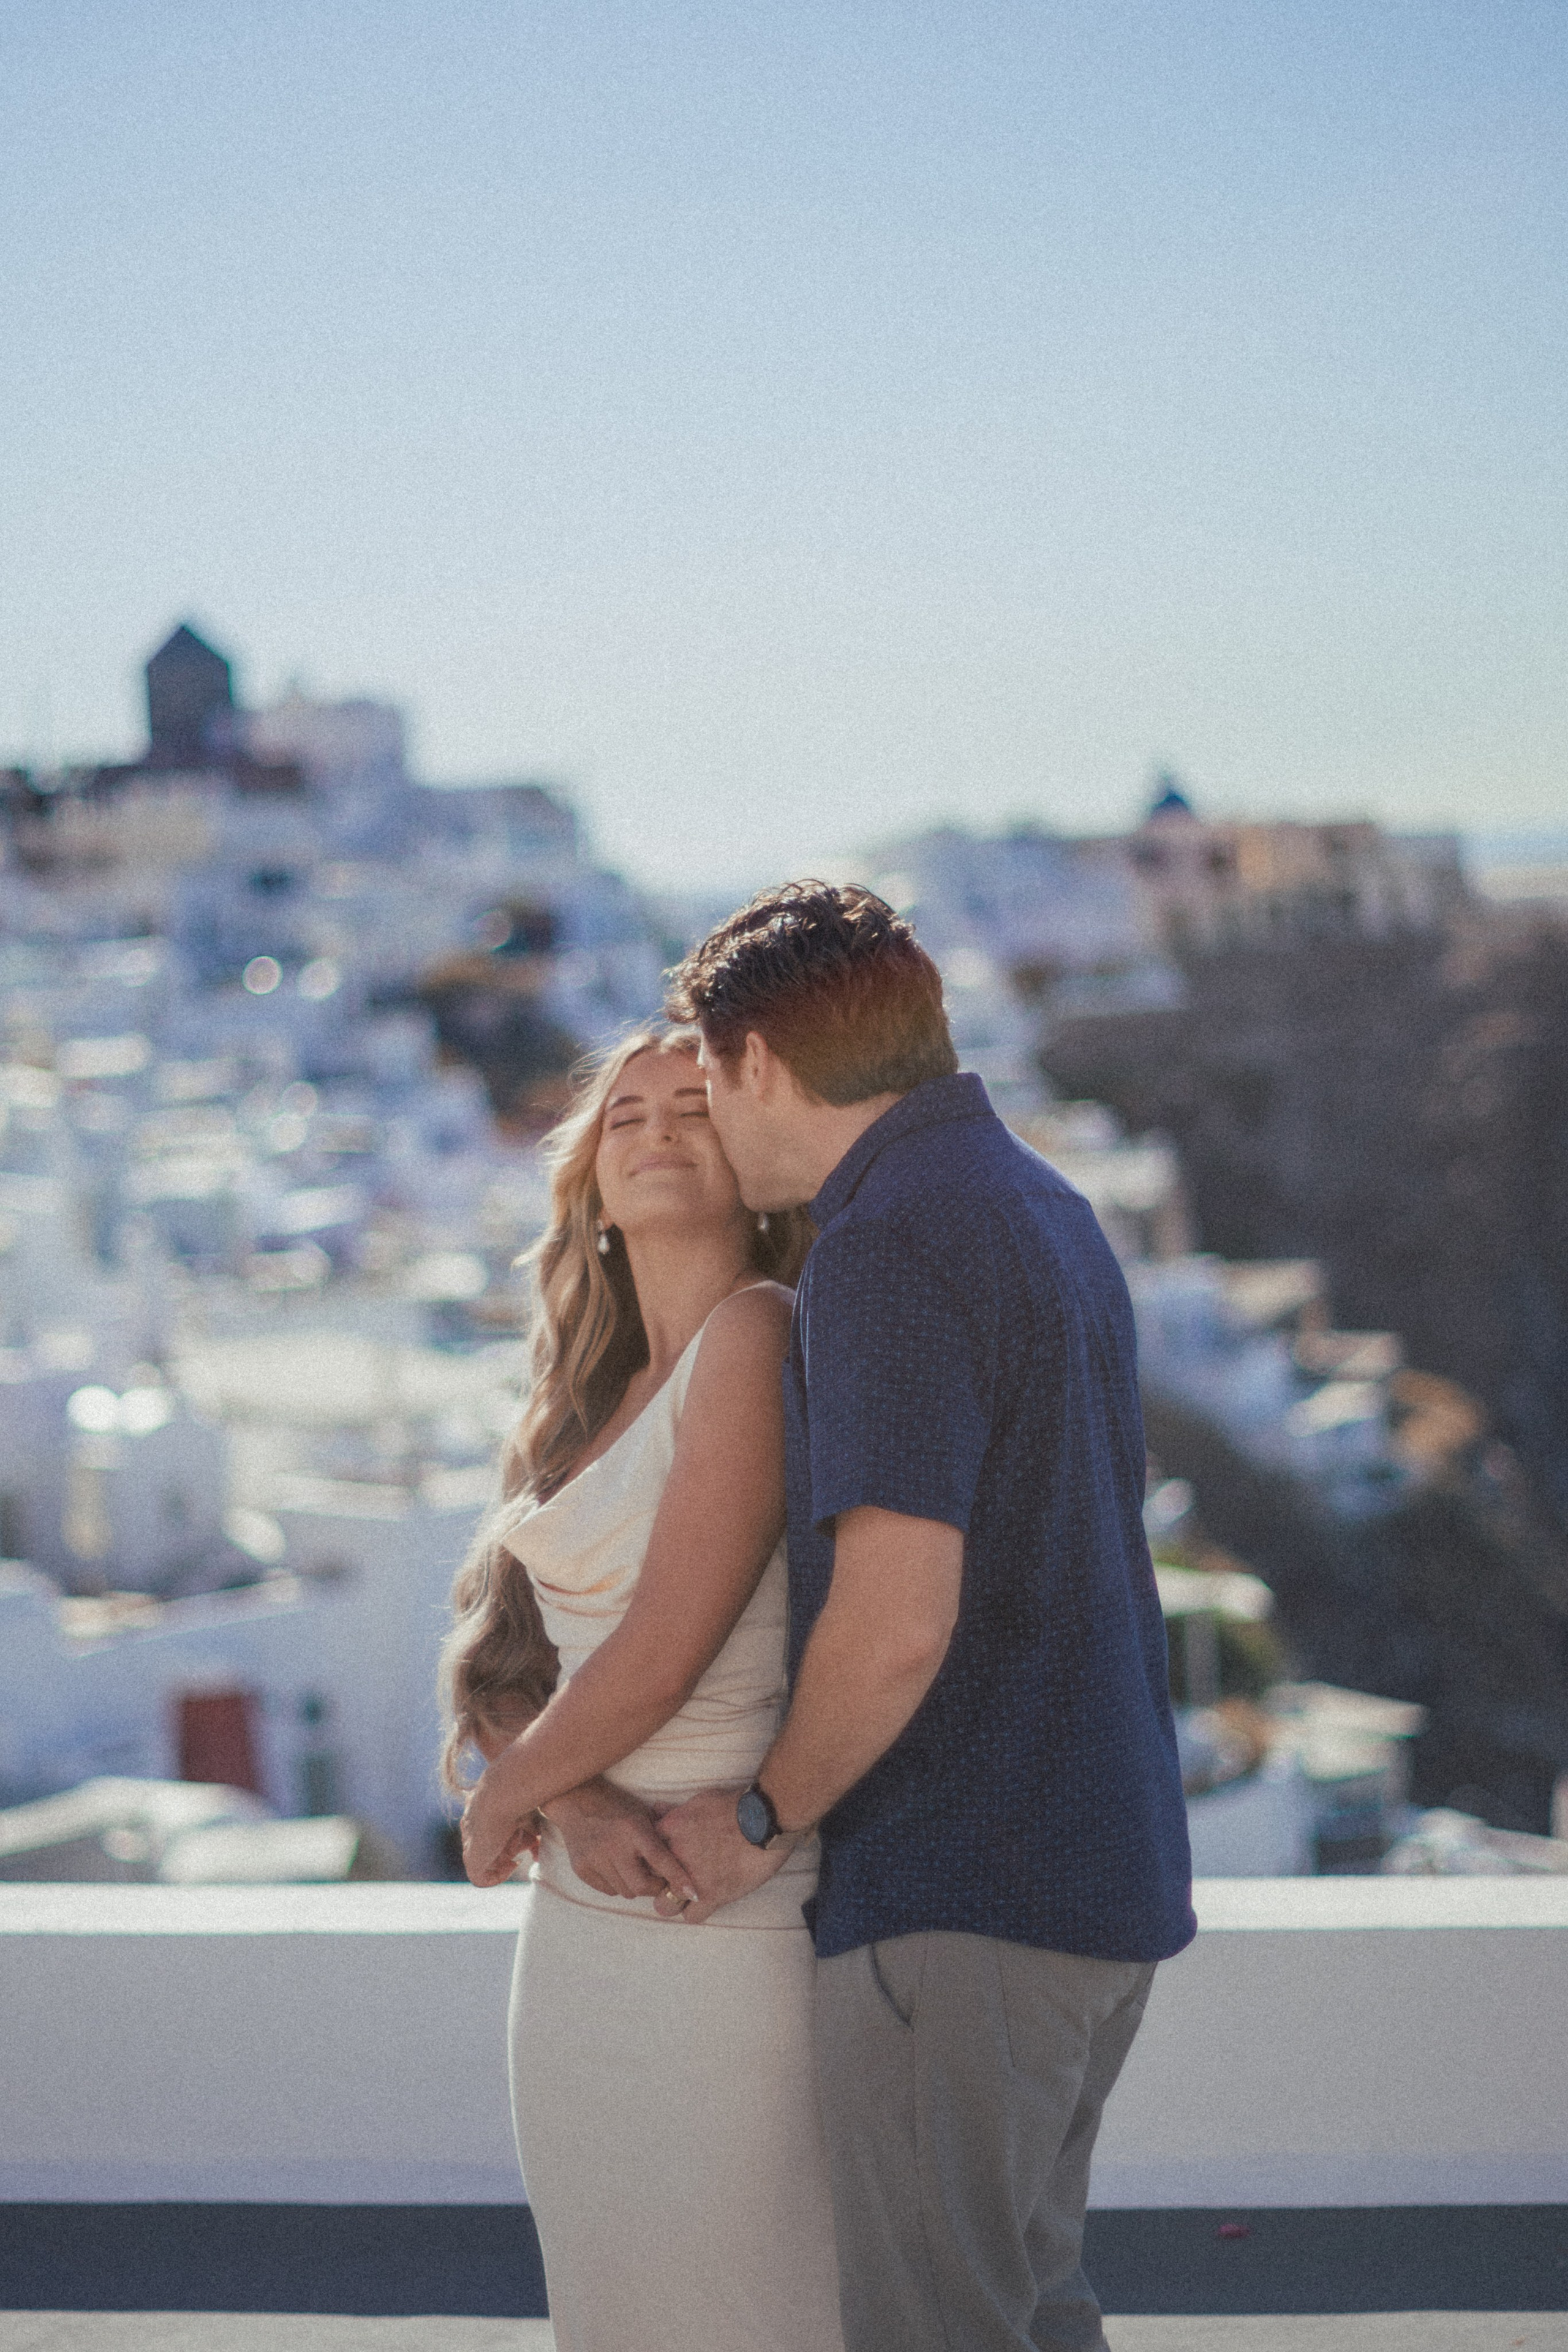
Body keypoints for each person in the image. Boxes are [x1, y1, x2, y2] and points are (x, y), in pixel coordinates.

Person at [658, 881, 1197, 2352]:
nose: (704, 1120)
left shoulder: (886, 1243)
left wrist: (759, 1816)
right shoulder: (1041, 1204)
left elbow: (896, 1618)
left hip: (967, 1896)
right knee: (1030, 2309)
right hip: (1101, 1874)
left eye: (705, 1079)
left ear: (758, 1059)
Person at [440, 1025, 843, 2352]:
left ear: (746, 1162)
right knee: (610, 2311)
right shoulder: (579, 1397)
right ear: (591, 1189)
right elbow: (503, 1661)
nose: (660, 1133)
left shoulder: (757, 1332)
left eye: (693, 1109)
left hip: (716, 1903)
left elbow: (663, 1650)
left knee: (738, 2304)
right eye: (626, 1120)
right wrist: (569, 1806)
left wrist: (515, 1790)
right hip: (579, 1924)